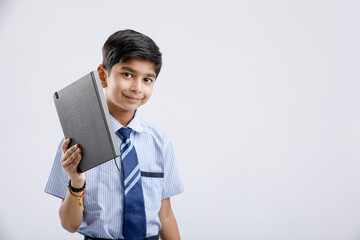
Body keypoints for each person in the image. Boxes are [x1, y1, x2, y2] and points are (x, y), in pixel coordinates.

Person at [45, 29, 184, 240]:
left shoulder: (160, 142)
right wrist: (76, 181)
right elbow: (69, 224)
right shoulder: (74, 144)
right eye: (127, 74)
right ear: (103, 75)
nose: (137, 87)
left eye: (147, 79)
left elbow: (165, 215)